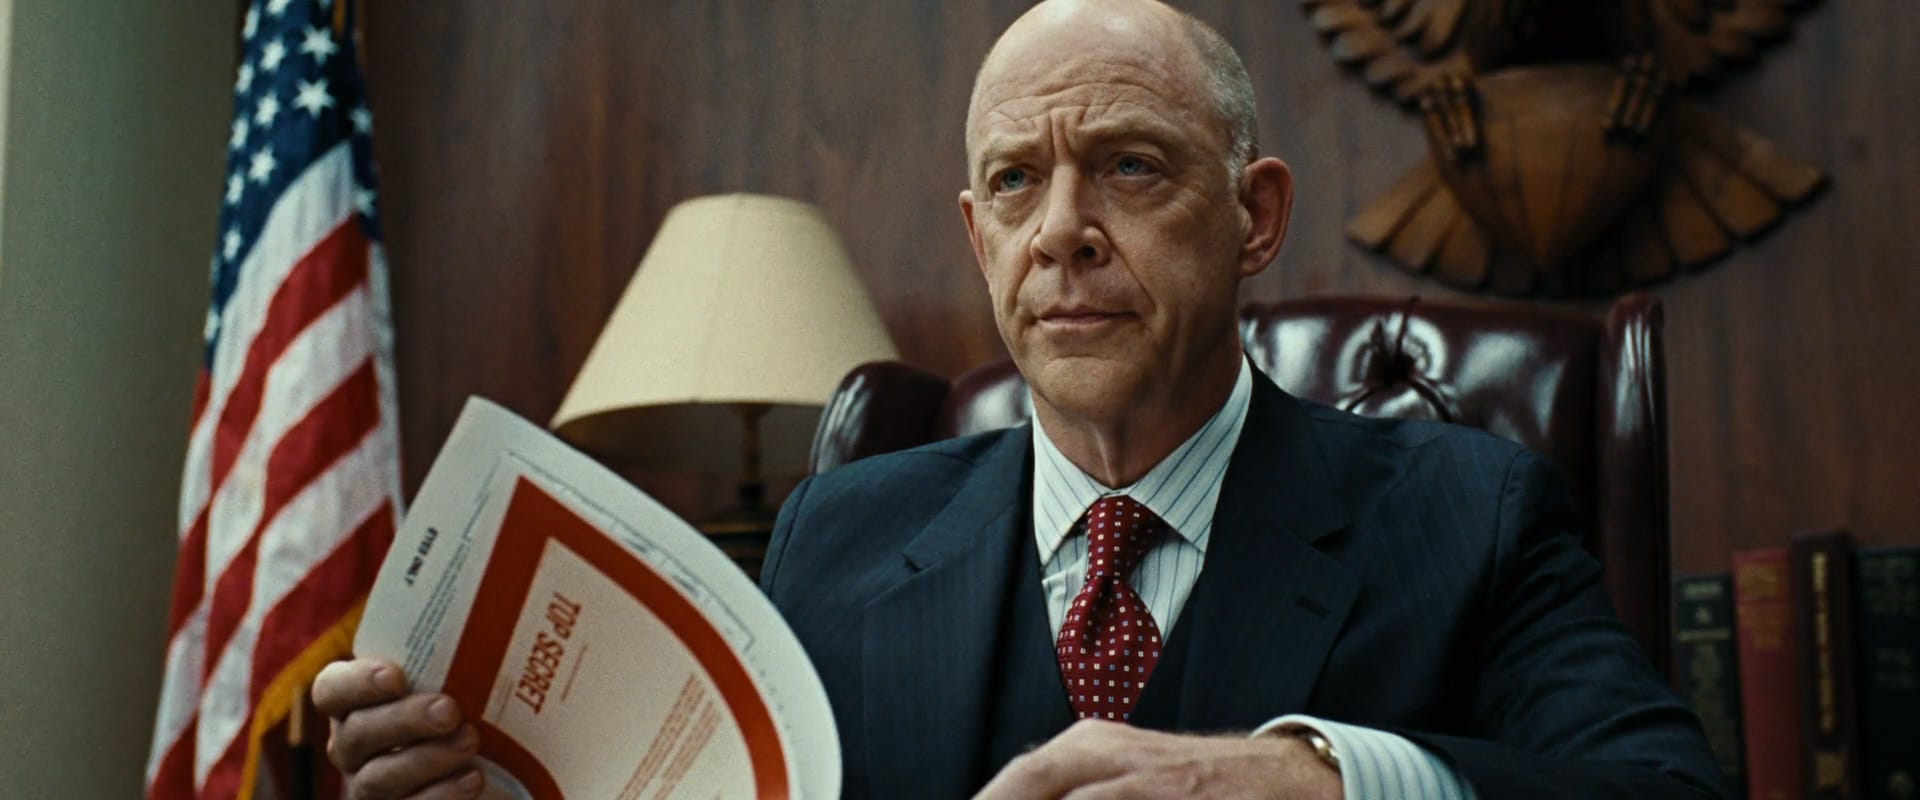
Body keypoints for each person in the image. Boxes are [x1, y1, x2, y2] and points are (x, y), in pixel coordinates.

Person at [314, 0, 1726, 797]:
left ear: (1254, 216)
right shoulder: (837, 537)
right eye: (1014, 183)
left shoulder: (1470, 512)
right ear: (977, 236)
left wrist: (1317, 780)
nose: (1061, 232)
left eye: (1129, 167)